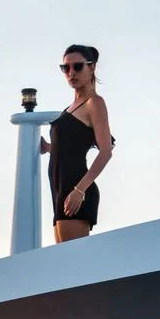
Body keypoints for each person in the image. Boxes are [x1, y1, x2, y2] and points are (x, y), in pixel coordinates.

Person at [40, 43, 114, 242]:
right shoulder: (69, 109)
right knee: (64, 264)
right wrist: (47, 147)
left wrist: (79, 190)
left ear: (92, 67)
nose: (71, 72)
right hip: (60, 190)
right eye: (66, 68)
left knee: (72, 266)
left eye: (78, 66)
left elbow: (106, 151)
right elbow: (72, 145)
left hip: (76, 190)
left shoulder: (94, 103)